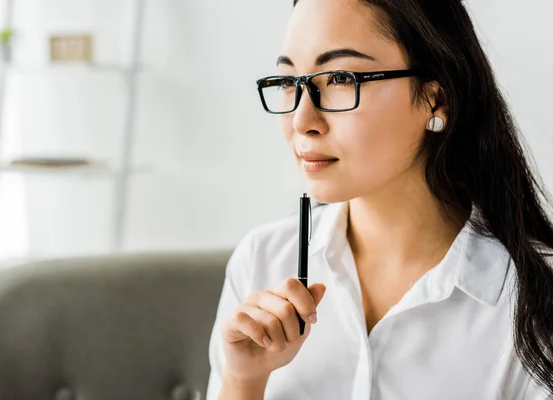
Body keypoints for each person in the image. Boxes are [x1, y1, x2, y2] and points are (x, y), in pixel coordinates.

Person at [206, 0, 553, 398]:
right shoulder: (262, 258)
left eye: (340, 78)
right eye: (289, 82)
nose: (302, 121)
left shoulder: (533, 298)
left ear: (434, 99)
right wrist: (244, 380)